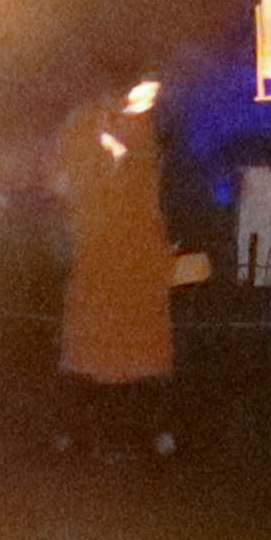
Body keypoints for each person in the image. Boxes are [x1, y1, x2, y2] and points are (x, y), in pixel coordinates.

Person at [55, 80, 183, 457]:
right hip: (99, 268)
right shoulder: (89, 154)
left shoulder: (144, 162)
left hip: (137, 271)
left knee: (142, 360)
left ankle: (149, 434)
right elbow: (70, 189)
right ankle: (86, 435)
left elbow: (154, 199)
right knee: (93, 359)